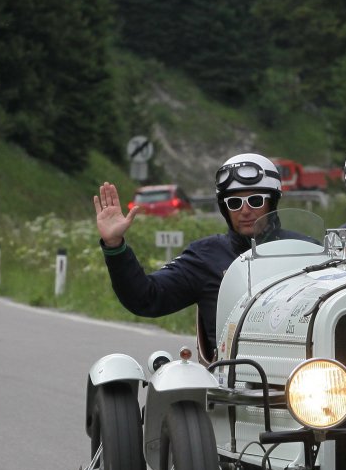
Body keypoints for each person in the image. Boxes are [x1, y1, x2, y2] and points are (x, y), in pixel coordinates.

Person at [95, 152, 281, 361]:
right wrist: (115, 246)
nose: (245, 210)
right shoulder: (206, 256)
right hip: (227, 375)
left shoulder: (304, 249)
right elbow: (146, 297)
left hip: (302, 374)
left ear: (272, 202)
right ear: (224, 208)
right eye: (234, 203)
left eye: (255, 200)